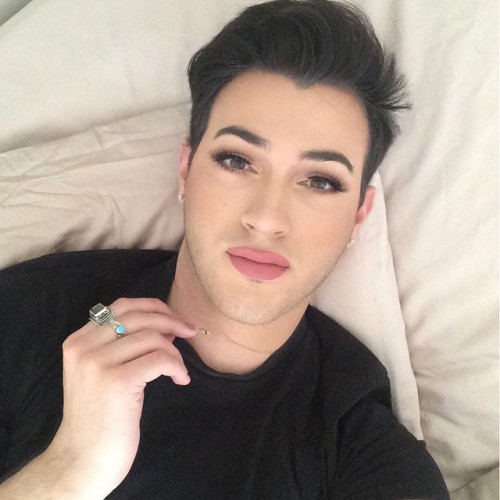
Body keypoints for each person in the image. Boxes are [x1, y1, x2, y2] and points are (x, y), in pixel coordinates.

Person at [0, 0, 449, 498]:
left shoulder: (364, 453)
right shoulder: (29, 311)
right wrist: (70, 467)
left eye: (320, 181)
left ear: (357, 217)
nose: (267, 218)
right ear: (186, 171)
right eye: (237, 160)